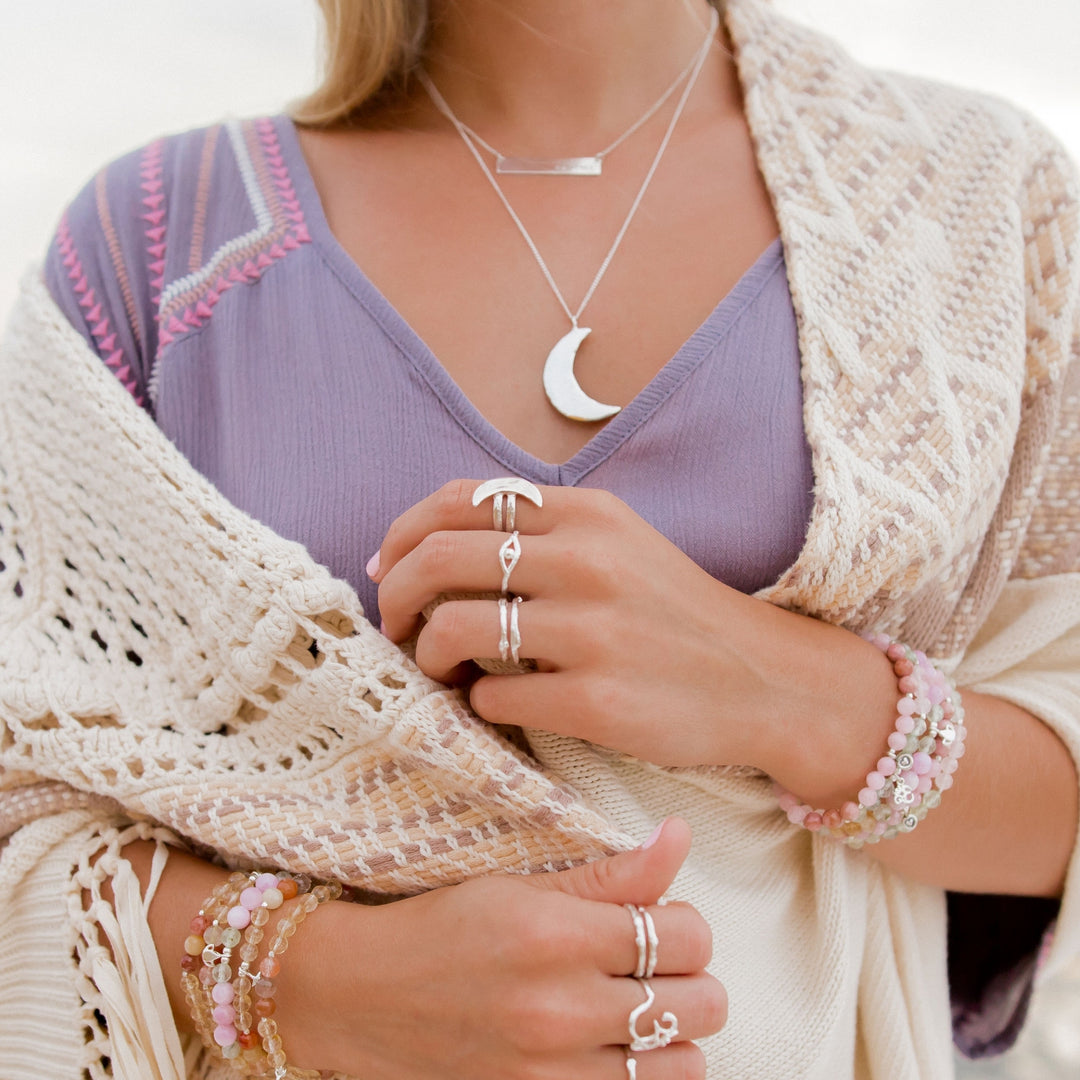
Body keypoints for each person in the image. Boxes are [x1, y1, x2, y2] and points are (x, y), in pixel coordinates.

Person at [1, 0, 1078, 1077]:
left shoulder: (979, 206)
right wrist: (310, 976)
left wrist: (785, 691)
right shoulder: (156, 246)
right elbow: (21, 805)